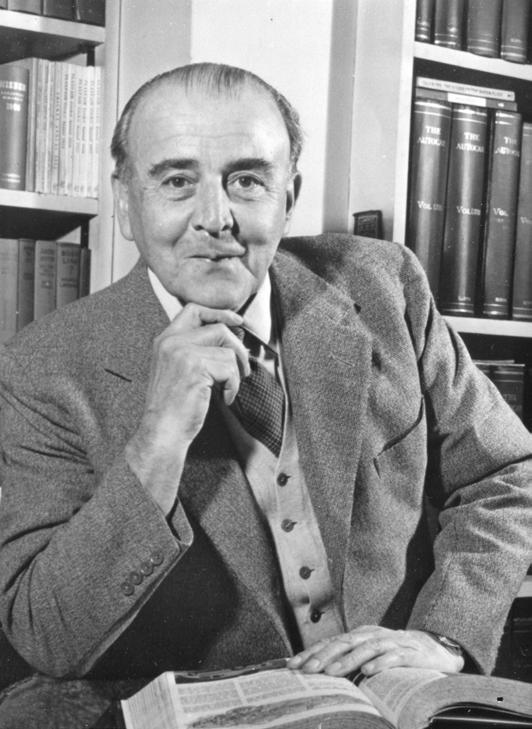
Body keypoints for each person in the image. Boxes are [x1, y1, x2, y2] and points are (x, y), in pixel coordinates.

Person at [0, 62, 531, 707]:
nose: (215, 219)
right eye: (177, 181)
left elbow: (508, 474)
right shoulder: (44, 367)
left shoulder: (383, 287)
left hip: (401, 704)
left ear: (289, 196)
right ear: (125, 202)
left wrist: (445, 636)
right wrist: (157, 440)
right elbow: (44, 633)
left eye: (248, 181)